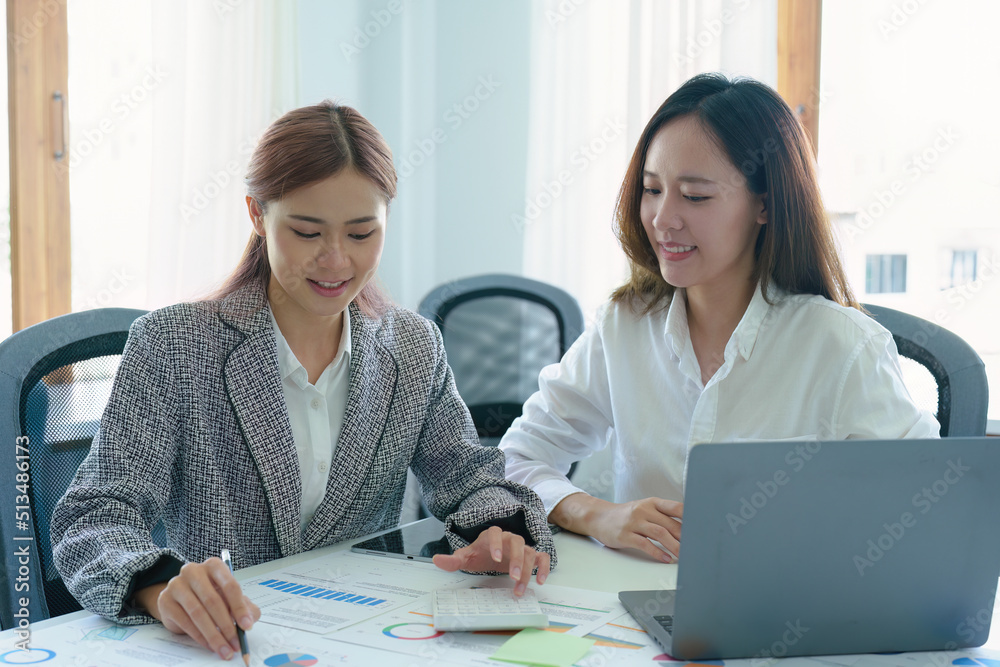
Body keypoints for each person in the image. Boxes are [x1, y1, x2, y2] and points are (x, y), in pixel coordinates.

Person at [52, 101, 553, 662]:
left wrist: (498, 529)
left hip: (362, 640)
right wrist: (160, 585)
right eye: (307, 232)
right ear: (256, 214)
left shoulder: (413, 346)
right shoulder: (174, 344)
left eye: (361, 233)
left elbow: (467, 476)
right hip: (224, 645)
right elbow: (95, 516)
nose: (335, 260)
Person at [499, 72, 939, 567]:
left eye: (695, 196)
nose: (662, 218)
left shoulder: (842, 348)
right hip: (630, 605)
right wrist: (596, 513)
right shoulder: (624, 326)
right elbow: (518, 457)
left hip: (784, 606)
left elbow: (924, 509)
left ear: (764, 205)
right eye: (652, 189)